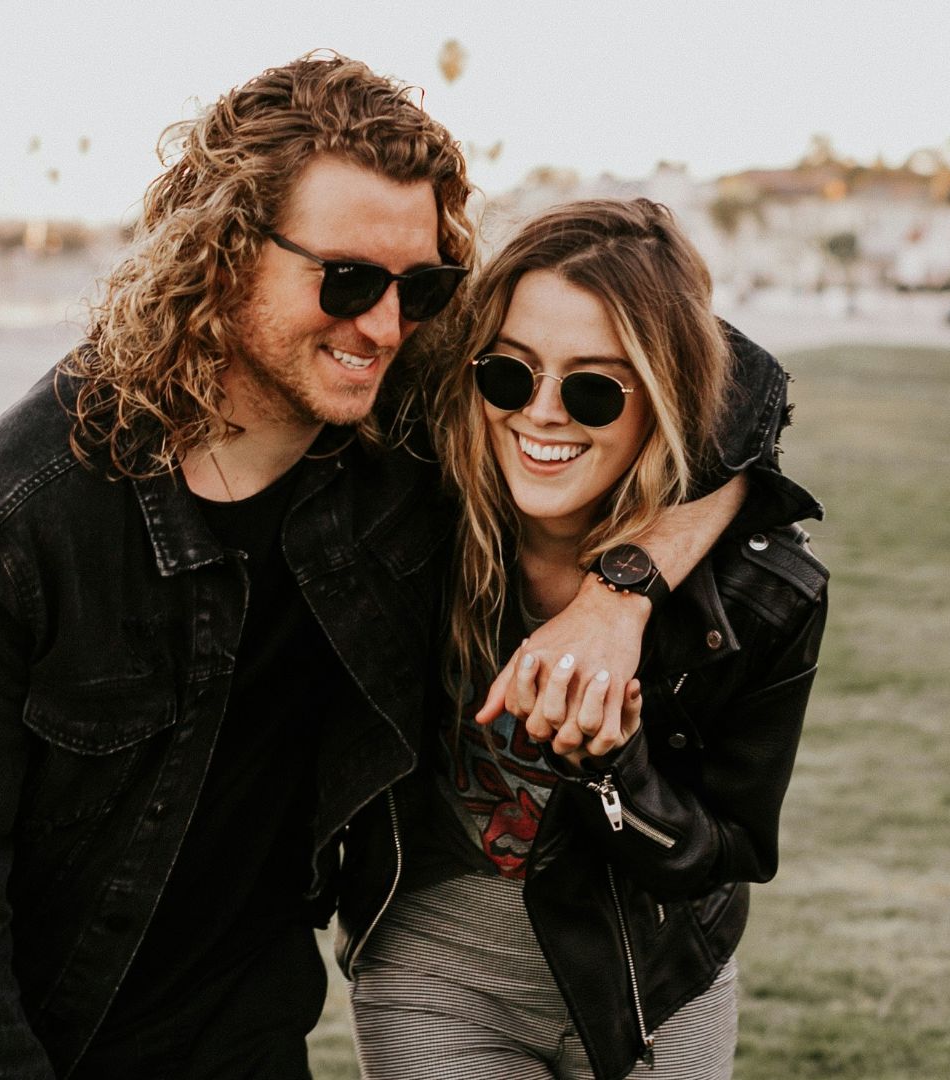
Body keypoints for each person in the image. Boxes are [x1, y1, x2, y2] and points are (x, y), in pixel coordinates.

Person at [0, 57, 789, 1080]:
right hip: (23, 1035)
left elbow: (737, 392)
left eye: (423, 286)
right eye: (346, 279)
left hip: (242, 1030)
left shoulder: (387, 421)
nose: (386, 326)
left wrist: (620, 599)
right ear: (221, 253)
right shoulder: (14, 522)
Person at [337, 199, 829, 1080]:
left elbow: (731, 850)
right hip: (438, 968)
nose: (543, 415)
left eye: (596, 387)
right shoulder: (415, 505)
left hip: (656, 982)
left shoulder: (762, 595)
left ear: (665, 399)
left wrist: (615, 765)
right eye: (511, 375)